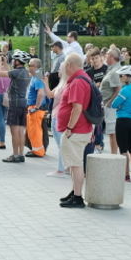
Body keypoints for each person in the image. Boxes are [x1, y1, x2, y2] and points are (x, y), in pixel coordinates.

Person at [55, 54, 93, 208]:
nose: (63, 67)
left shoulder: (78, 82)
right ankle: (75, 192)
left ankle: (78, 197)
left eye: (64, 64)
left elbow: (77, 108)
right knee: (72, 163)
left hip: (76, 131)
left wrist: (69, 127)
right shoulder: (82, 79)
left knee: (75, 164)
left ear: (70, 65)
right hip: (79, 129)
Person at [111, 65, 131, 180]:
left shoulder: (125, 90)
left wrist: (119, 106)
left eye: (121, 76)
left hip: (122, 120)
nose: (120, 78)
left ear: (127, 77)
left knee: (123, 148)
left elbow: (114, 104)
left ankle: (126, 175)